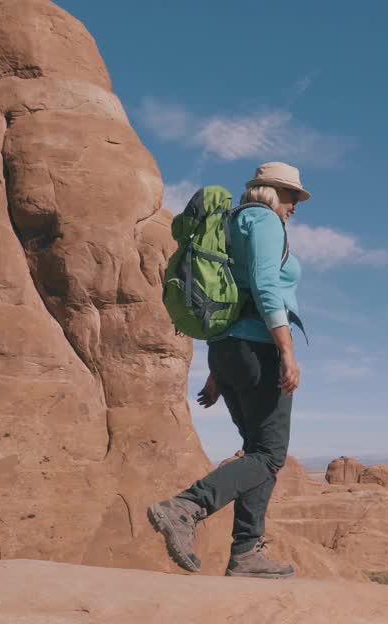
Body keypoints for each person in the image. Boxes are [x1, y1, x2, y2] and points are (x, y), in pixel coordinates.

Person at [148, 161, 308, 579]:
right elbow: (265, 285)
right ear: (275, 193)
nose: (294, 208)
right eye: (293, 199)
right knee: (269, 455)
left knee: (258, 451)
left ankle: (246, 555)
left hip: (225, 350)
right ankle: (186, 507)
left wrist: (219, 371)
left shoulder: (227, 223)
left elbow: (222, 292)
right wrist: (287, 351)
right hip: (258, 348)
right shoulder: (265, 221)